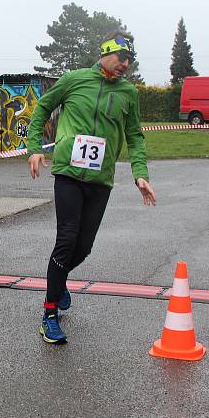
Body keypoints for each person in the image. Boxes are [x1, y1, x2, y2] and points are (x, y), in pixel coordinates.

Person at [26, 31, 156, 344]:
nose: (126, 64)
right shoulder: (74, 80)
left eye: (130, 60)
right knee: (67, 238)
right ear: (105, 53)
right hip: (68, 174)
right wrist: (34, 147)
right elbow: (42, 109)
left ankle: (58, 283)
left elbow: (135, 136)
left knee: (83, 247)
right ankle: (50, 314)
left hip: (100, 180)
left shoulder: (128, 93)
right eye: (122, 57)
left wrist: (140, 173)